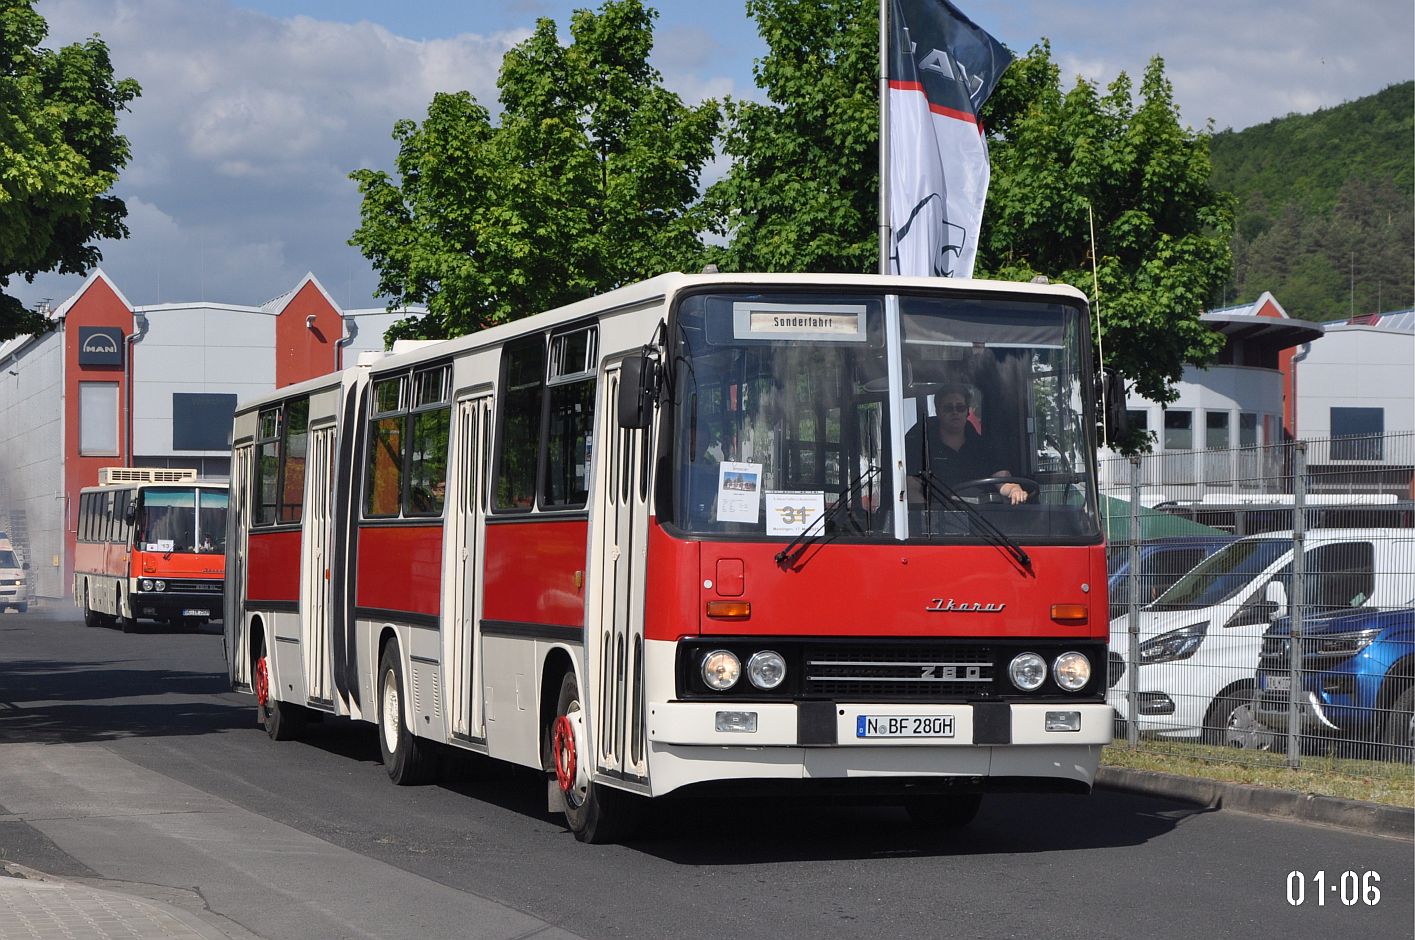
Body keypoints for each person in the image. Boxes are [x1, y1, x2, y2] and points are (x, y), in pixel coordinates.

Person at [920, 383, 1027, 505]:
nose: (955, 412)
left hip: (982, 520)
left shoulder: (983, 448)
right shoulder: (923, 448)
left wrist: (1014, 489)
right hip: (940, 519)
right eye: (948, 408)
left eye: (960, 408)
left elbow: (1002, 480)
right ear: (938, 411)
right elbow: (912, 488)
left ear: (967, 412)